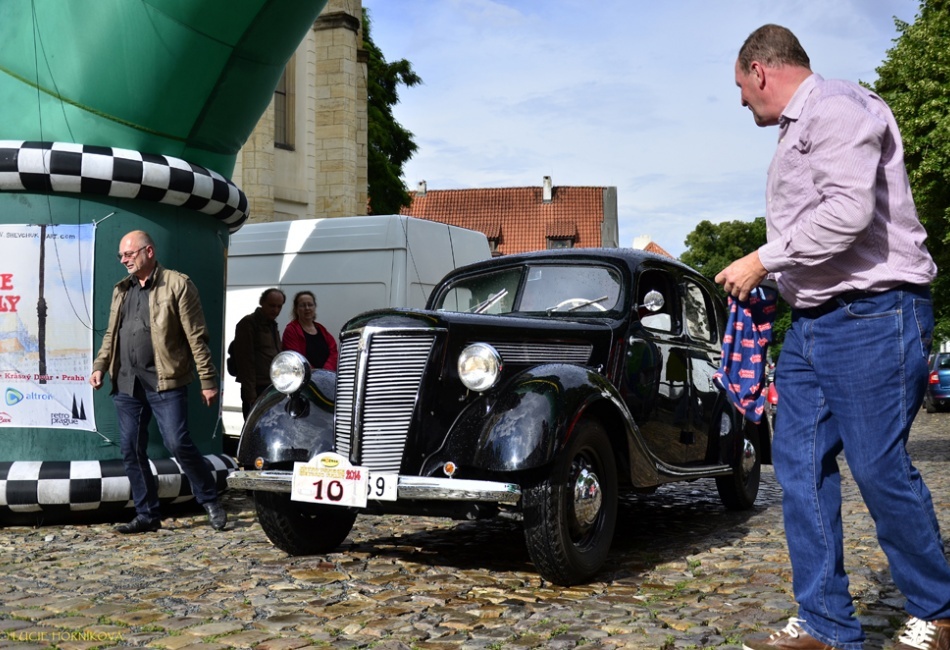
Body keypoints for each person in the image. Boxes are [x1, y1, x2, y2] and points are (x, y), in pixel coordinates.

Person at [716, 24, 950, 650]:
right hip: (815, 323)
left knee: (878, 467)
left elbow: (847, 213)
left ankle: (941, 610)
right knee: (796, 468)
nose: (741, 101)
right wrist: (774, 281)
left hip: (874, 314)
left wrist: (762, 261)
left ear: (760, 71)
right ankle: (825, 623)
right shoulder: (801, 128)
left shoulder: (839, 109)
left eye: (740, 87)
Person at [89, 230, 227, 534]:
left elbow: (196, 336)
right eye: (121, 255)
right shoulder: (121, 290)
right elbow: (112, 334)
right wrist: (100, 365)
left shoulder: (178, 284)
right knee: (130, 448)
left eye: (129, 254)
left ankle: (210, 499)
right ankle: (147, 514)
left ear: (148, 252)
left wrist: (207, 379)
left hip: (166, 380)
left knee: (177, 442)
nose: (124, 260)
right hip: (126, 382)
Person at [231, 288, 285, 418]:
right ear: (262, 302)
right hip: (257, 388)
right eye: (272, 306)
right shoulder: (249, 323)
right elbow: (245, 361)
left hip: (273, 385)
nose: (276, 310)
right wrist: (251, 395)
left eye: (279, 307)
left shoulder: (272, 325)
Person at [281, 290, 338, 371]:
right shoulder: (291, 330)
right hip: (306, 379)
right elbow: (296, 358)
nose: (307, 308)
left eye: (310, 305)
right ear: (296, 309)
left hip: (327, 376)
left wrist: (326, 371)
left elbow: (333, 352)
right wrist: (316, 374)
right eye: (302, 305)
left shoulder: (321, 329)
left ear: (315, 307)